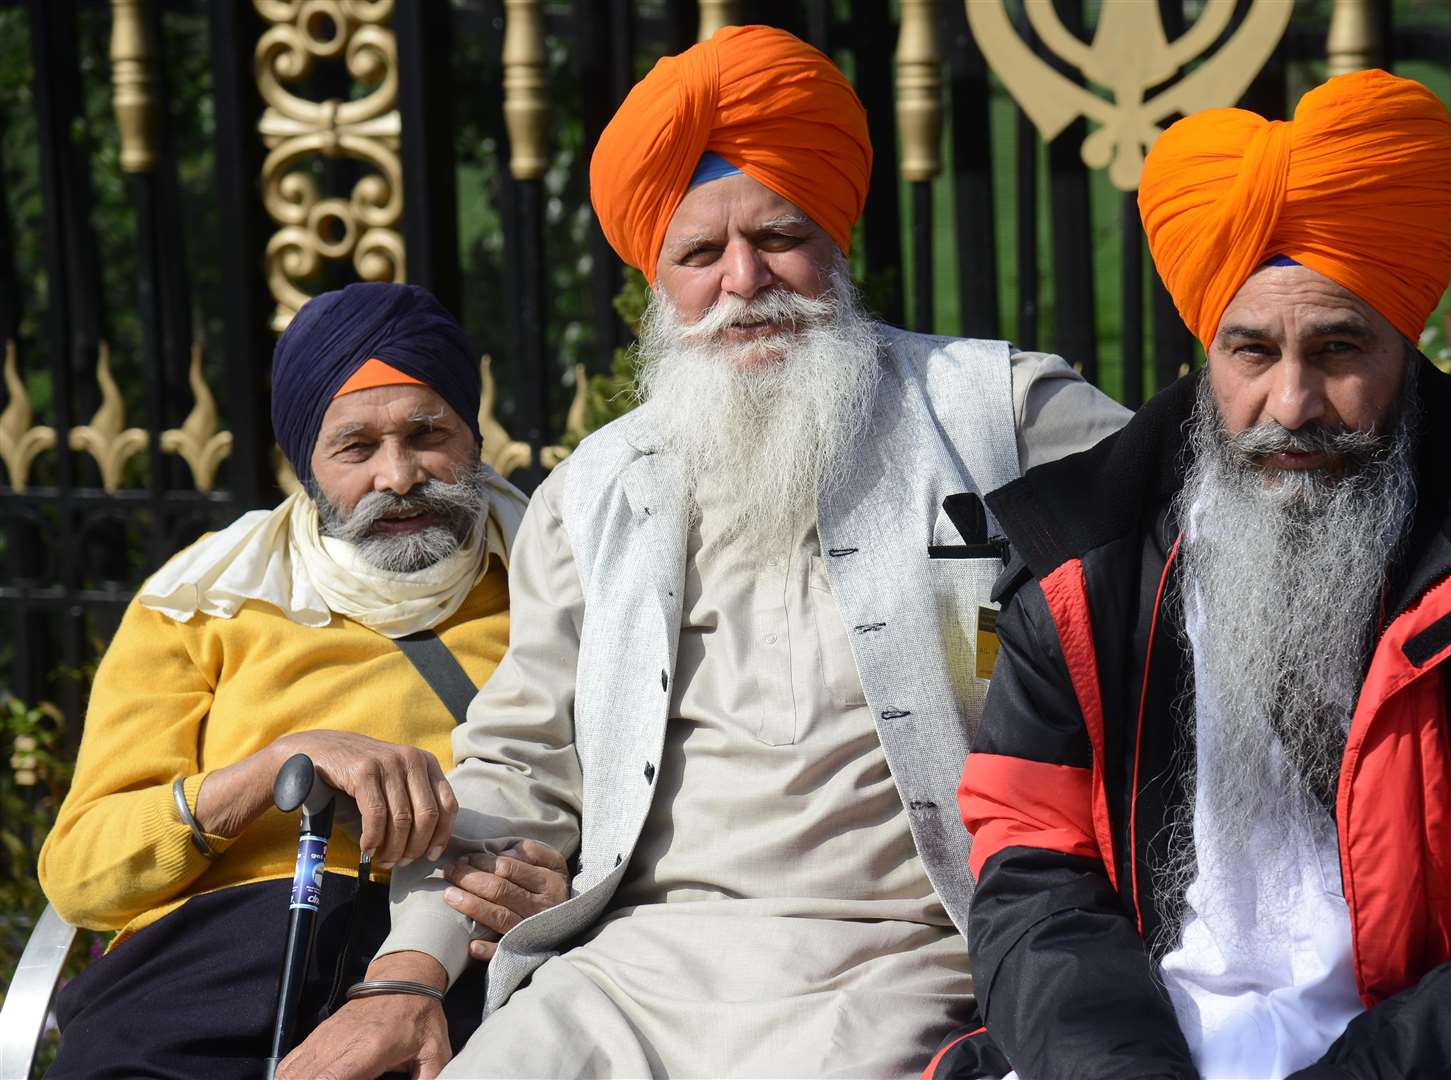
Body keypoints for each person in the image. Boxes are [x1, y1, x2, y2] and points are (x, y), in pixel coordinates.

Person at [282, 24, 1130, 1080]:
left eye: (780, 237)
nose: (745, 280)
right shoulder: (596, 488)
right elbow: (517, 759)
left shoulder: (1000, 413)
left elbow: (1192, 538)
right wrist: (406, 975)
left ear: (837, 244)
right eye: (700, 254)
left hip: (907, 960)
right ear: (659, 284)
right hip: (628, 967)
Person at [935, 68, 1451, 1080]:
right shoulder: (1080, 561)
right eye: (1251, 351)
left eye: (1339, 349)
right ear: (1206, 352)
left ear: (1407, 346)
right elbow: (1035, 877)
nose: (1290, 403)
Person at [38, 283, 557, 1078]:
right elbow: (83, 876)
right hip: (216, 958)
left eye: (428, 434)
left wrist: (560, 895)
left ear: (475, 436)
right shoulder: (203, 603)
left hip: (461, 951)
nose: (399, 476)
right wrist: (273, 770)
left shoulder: (558, 586)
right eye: (355, 447)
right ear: (303, 464)